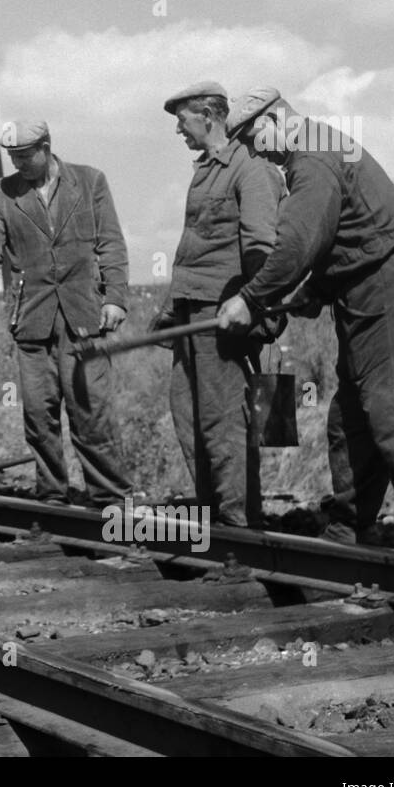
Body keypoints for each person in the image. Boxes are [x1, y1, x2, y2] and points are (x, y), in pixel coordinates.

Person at [216, 88, 394, 553]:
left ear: (275, 120)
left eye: (252, 137)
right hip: (367, 287)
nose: (253, 150)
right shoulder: (313, 155)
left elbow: (296, 244)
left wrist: (250, 299)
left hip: (392, 286)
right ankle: (349, 525)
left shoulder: (313, 160)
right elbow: (339, 238)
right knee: (350, 417)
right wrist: (317, 291)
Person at [0, 119, 133, 506]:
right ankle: (52, 498)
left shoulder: (90, 182)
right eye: (12, 157)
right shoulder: (1, 195)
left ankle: (111, 500)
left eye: (24, 156)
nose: (18, 164)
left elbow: (112, 244)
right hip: (33, 319)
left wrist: (116, 298)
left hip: (85, 316)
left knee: (91, 414)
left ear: (46, 146)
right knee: (39, 416)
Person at [153, 82, 285, 527]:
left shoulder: (251, 170)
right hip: (192, 313)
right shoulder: (207, 169)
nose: (178, 131)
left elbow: (261, 247)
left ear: (209, 115)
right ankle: (215, 520)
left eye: (182, 120)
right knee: (189, 417)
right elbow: (197, 246)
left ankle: (238, 527)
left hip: (223, 316)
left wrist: (257, 308)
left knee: (223, 421)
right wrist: (173, 308)